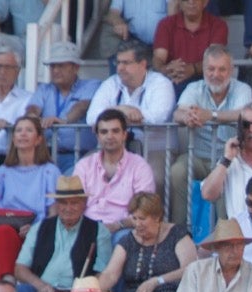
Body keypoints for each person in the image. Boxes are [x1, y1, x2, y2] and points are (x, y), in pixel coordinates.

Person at [168, 44, 252, 226]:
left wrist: (211, 116)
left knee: (228, 178)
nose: (215, 75)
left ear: (231, 70)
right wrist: (187, 117)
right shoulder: (194, 88)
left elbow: (243, 114)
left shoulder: (242, 89)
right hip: (198, 157)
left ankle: (226, 235)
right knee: (178, 171)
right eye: (211, 69)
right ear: (204, 69)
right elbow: (178, 112)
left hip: (230, 158)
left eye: (222, 69)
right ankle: (179, 232)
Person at [85, 41, 175, 191]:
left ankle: (150, 215)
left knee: (154, 178)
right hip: (111, 149)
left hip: (154, 150)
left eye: (126, 63)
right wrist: (122, 110)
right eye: (118, 62)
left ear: (143, 64)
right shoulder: (111, 83)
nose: (120, 68)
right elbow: (92, 118)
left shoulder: (160, 83)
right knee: (86, 173)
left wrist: (113, 114)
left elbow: (158, 116)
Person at [0, 116, 61, 281]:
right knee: (3, 232)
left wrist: (36, 229)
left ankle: (3, 285)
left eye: (29, 130)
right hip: (5, 228)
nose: (23, 134)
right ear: (14, 138)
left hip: (36, 231)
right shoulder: (2, 172)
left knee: (6, 237)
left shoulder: (49, 171)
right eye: (18, 130)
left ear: (38, 139)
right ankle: (8, 281)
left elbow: (54, 215)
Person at [70, 107, 158, 248]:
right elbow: (74, 203)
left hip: (124, 229)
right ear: (98, 136)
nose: (109, 136)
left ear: (124, 134)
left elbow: (144, 210)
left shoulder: (140, 166)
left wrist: (117, 225)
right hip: (88, 226)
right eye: (104, 132)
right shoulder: (84, 165)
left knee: (125, 241)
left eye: (115, 131)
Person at [25, 41, 100, 174]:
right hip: (46, 155)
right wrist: (31, 118)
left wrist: (64, 121)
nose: (55, 71)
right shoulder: (44, 89)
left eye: (60, 66)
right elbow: (33, 108)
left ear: (75, 67)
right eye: (52, 66)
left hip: (80, 157)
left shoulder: (91, 85)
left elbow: (82, 106)